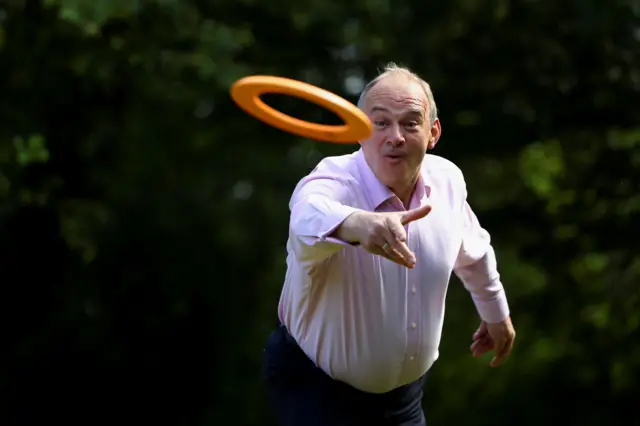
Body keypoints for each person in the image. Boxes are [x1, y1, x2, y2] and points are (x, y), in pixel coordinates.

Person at [262, 63, 516, 426]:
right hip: (316, 390)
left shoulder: (447, 181)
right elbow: (306, 219)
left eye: (410, 123)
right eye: (380, 122)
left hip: (404, 401)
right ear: (360, 130)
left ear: (433, 132)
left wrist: (496, 314)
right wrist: (358, 224)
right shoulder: (332, 180)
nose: (394, 136)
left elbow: (474, 250)